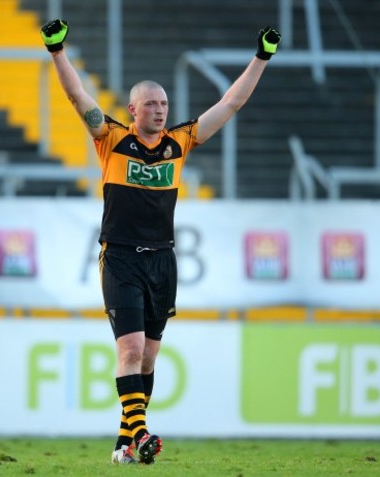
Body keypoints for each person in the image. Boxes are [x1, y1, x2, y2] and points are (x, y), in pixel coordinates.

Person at [40, 19, 281, 465]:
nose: (160, 110)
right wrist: (57, 51)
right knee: (129, 350)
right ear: (132, 110)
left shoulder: (179, 143)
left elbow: (231, 103)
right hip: (121, 259)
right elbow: (78, 98)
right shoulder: (111, 139)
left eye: (164, 103)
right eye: (150, 104)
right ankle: (144, 435)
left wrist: (261, 57)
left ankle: (124, 441)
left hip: (163, 261)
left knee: (147, 360)